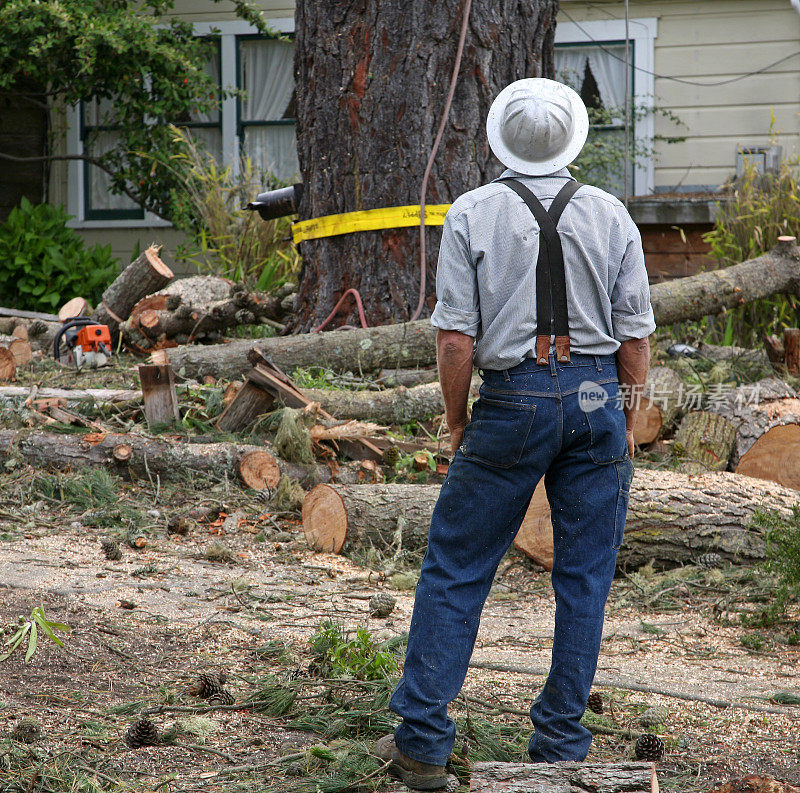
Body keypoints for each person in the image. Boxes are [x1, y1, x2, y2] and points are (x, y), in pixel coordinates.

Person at [374, 77, 655, 790]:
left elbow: (455, 341)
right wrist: (623, 415)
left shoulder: (473, 212)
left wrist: (459, 419)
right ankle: (561, 738)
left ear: (501, 138)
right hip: (595, 393)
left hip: (514, 395)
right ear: (569, 141)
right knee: (585, 576)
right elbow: (636, 336)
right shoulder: (611, 213)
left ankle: (424, 741)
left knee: (458, 566)